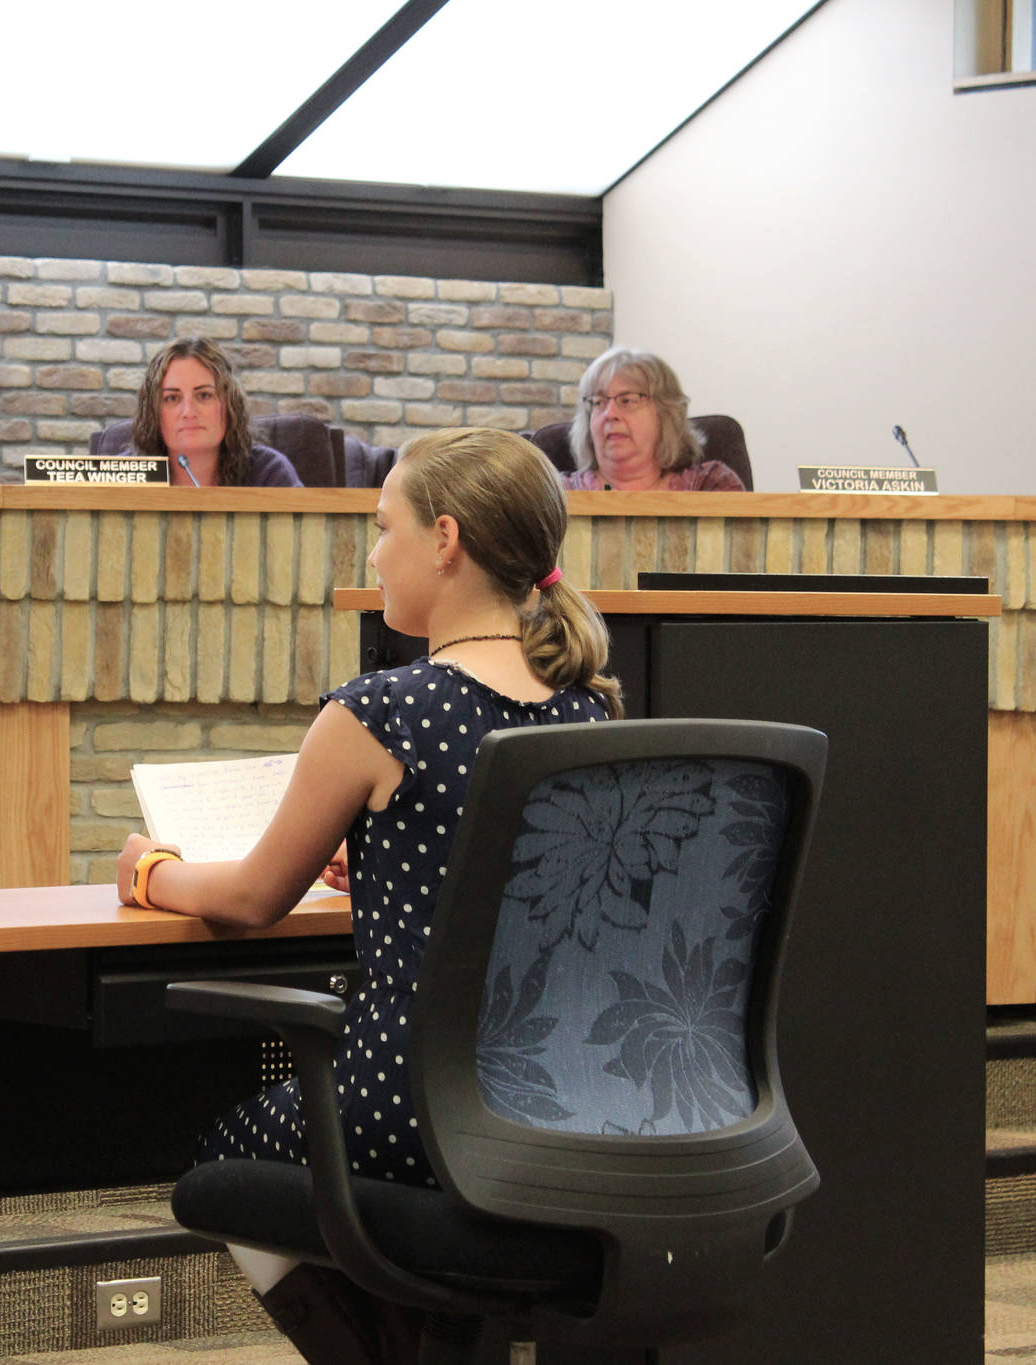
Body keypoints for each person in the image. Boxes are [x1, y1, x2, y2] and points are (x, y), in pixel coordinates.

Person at [116, 427, 622, 1363]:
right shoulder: (589, 708)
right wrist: (384, 860)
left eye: (382, 528)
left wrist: (152, 869)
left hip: (408, 1101)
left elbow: (255, 896)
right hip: (564, 1099)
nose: (373, 555)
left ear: (445, 538)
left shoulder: (380, 710)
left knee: (223, 1154)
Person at [562, 346, 743, 492]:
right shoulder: (557, 494)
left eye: (627, 400)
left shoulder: (711, 486)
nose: (610, 414)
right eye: (599, 402)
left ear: (665, 414)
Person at [131, 337, 302, 487]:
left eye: (204, 395)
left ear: (229, 405)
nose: (189, 412)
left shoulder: (268, 473)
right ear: (153, 412)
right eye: (172, 398)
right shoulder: (125, 474)